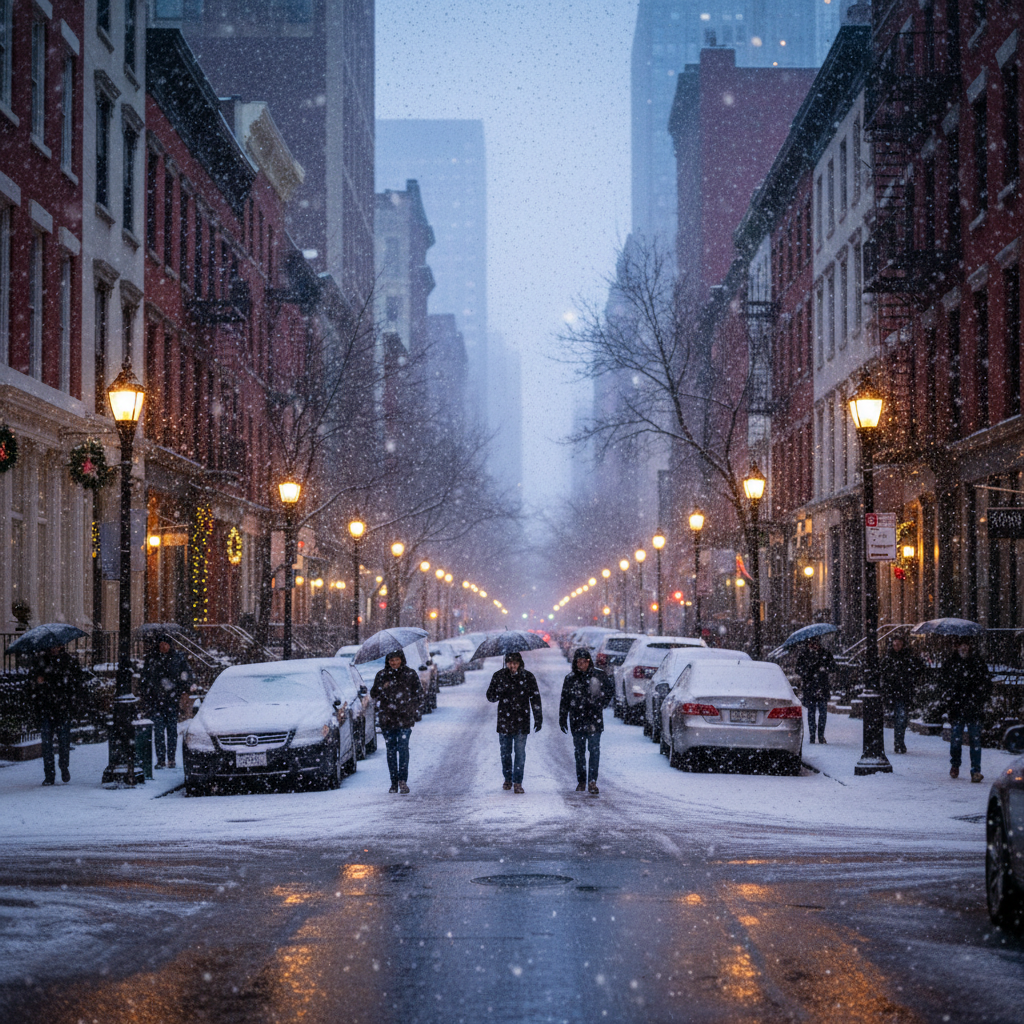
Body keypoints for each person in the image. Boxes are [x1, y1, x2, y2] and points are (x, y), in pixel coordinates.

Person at [559, 647, 614, 795]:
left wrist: (601, 703)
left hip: (594, 719)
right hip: (577, 719)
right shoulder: (570, 679)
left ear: (589, 662)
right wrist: (562, 717)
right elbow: (565, 699)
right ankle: (582, 780)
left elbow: (609, 690)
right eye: (579, 662)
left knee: (594, 750)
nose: (582, 665)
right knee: (580, 751)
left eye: (584, 662)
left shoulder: (599, 676)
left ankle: (592, 781)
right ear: (575, 663)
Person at [486, 651, 542, 793]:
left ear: (520, 663)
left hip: (521, 720)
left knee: (519, 753)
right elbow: (490, 696)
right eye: (510, 663)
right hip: (504, 720)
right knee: (505, 752)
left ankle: (517, 782)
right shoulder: (499, 676)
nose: (513, 666)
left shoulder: (528, 677)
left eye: (515, 663)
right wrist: (499, 690)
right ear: (506, 663)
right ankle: (507, 779)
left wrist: (538, 717)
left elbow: (535, 698)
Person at [29, 644, 85, 785]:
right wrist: (38, 682)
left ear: (61, 646)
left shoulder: (68, 661)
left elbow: (75, 683)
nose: (54, 648)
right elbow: (33, 684)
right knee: (47, 744)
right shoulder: (41, 661)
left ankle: (63, 767)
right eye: (52, 646)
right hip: (46, 708)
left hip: (61, 708)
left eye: (57, 646)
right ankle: (49, 774)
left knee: (63, 742)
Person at [370, 648, 422, 793]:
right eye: (391, 660)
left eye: (396, 659)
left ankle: (402, 780)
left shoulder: (410, 674)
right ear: (387, 661)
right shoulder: (381, 675)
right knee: (391, 750)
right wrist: (382, 686)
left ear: (402, 660)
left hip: (404, 718)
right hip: (387, 719)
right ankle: (393, 782)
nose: (394, 663)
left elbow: (418, 693)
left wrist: (413, 709)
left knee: (403, 749)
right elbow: (373, 693)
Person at [140, 633, 194, 769]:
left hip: (171, 700)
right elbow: (145, 679)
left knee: (171, 731)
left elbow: (186, 675)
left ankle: (171, 758)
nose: (163, 647)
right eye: (161, 644)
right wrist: (146, 694)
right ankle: (161, 759)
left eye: (166, 644)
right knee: (158, 732)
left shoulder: (177, 658)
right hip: (156, 701)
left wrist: (184, 689)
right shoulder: (152, 659)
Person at [941, 640, 992, 783]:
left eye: (966, 645)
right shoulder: (951, 663)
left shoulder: (977, 663)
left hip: (973, 707)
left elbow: (986, 684)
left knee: (974, 739)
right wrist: (950, 699)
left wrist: (978, 697)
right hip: (958, 708)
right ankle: (955, 765)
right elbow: (944, 684)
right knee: (956, 739)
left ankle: (976, 770)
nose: (964, 647)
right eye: (961, 645)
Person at [879, 634, 924, 754]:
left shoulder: (908, 657)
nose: (896, 647)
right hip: (893, 692)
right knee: (899, 718)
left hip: (904, 692)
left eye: (898, 644)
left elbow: (917, 670)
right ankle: (898, 742)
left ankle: (899, 742)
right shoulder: (889, 658)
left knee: (901, 718)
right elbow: (883, 673)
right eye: (894, 645)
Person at [794, 637, 835, 744]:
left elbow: (833, 667)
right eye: (811, 643)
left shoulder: (825, 654)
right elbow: (798, 669)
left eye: (815, 643)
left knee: (822, 713)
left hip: (822, 687)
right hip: (810, 687)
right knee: (811, 713)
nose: (813, 645)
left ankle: (821, 735)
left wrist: (825, 668)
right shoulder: (804, 655)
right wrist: (808, 671)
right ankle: (812, 735)